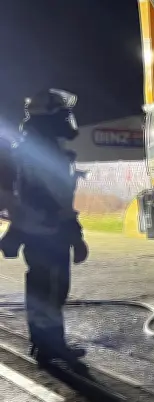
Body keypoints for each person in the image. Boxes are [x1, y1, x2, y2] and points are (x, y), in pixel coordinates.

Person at [0, 89, 89, 371]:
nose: (67, 121)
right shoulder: (44, 151)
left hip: (40, 231)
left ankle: (45, 343)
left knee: (45, 289)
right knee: (50, 290)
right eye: (63, 116)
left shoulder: (35, 147)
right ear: (50, 119)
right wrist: (75, 235)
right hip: (47, 233)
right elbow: (55, 200)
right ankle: (49, 345)